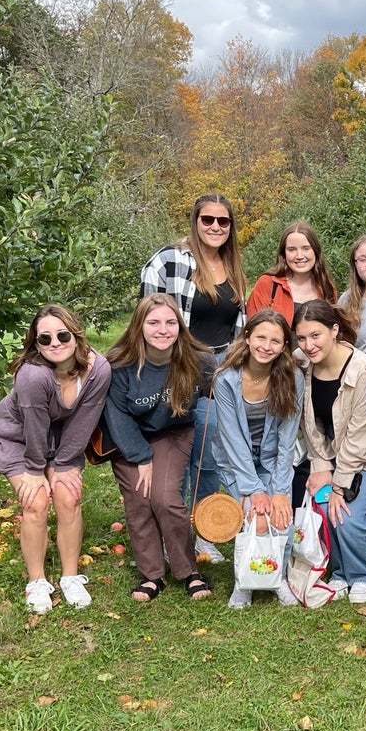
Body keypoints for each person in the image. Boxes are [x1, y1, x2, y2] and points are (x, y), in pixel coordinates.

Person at [140, 193, 247, 560]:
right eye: (208, 220)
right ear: (195, 221)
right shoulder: (169, 260)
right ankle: (174, 535)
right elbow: (149, 318)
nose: (216, 227)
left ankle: (204, 530)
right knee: (178, 453)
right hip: (181, 366)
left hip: (222, 369)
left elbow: (238, 326)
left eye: (223, 221)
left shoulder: (232, 266)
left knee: (211, 451)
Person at [0, 304, 111, 614]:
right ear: (36, 343)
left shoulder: (98, 370)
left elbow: (84, 420)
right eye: (45, 338)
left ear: (76, 334)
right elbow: (33, 427)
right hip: (19, 438)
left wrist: (64, 464)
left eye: (62, 334)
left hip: (61, 439)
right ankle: (37, 581)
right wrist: (35, 470)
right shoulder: (32, 376)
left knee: (68, 497)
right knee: (35, 501)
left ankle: (70, 577)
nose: (55, 343)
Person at [104, 294, 215, 603]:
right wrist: (141, 457)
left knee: (165, 499)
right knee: (139, 499)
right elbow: (116, 414)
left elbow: (222, 394)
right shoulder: (119, 364)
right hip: (127, 438)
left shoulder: (200, 360)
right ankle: (152, 574)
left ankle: (187, 569)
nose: (163, 330)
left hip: (173, 434)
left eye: (170, 322)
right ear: (139, 326)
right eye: (153, 323)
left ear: (180, 325)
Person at [294, 299, 366, 603]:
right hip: (330, 455)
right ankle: (340, 573)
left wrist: (339, 483)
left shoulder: (363, 369)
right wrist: (321, 465)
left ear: (335, 330)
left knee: (346, 512)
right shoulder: (301, 362)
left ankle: (365, 575)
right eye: (301, 337)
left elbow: (362, 434)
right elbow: (308, 422)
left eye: (316, 335)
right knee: (325, 507)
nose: (309, 345)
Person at [211, 308, 305, 609]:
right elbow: (231, 438)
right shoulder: (226, 378)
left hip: (274, 457)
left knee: (281, 516)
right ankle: (244, 581)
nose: (266, 346)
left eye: (276, 341)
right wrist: (254, 489)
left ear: (284, 347)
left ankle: (277, 578)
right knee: (252, 514)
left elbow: (288, 438)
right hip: (235, 459)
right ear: (248, 337)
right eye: (261, 337)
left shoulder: (293, 377)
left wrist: (278, 490)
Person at [247, 221, 337, 325]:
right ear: (283, 253)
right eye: (292, 250)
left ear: (315, 251)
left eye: (306, 248)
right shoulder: (268, 284)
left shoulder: (327, 289)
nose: (299, 256)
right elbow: (254, 332)